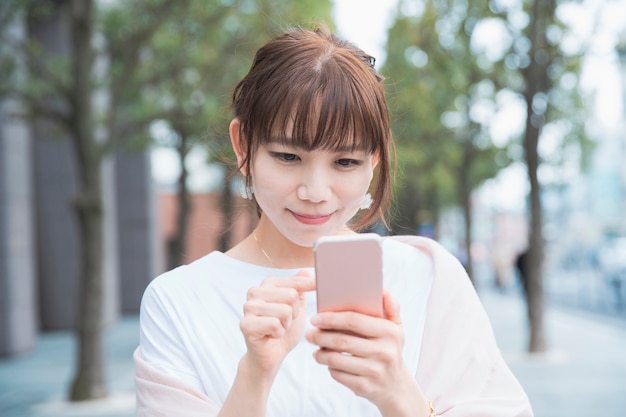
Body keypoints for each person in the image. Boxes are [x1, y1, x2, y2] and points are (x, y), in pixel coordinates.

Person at [134, 24, 533, 417]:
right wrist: (254, 375)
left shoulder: (427, 277)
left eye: (345, 162)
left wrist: (399, 394)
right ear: (243, 146)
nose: (315, 191)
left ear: (373, 161)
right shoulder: (178, 301)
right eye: (288, 157)